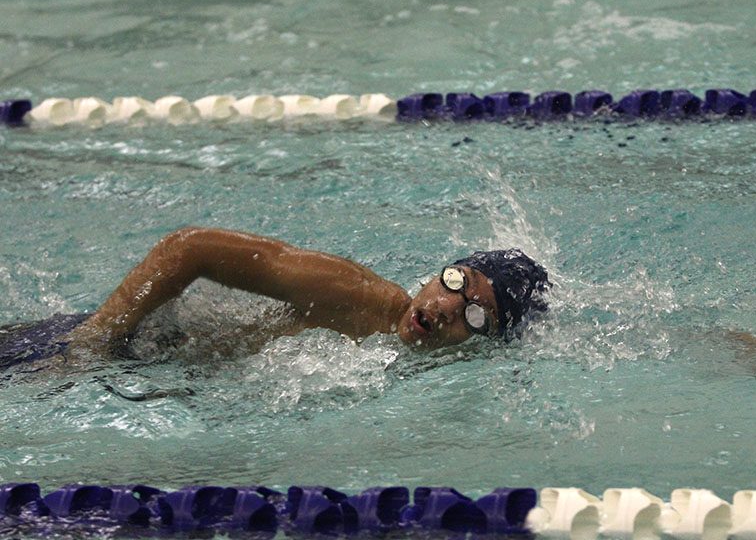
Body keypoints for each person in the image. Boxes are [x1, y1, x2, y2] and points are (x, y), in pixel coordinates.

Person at [0, 227, 552, 371]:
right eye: (456, 283)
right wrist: (98, 338)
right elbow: (188, 249)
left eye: (476, 315)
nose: (447, 307)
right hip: (107, 347)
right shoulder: (358, 297)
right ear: (439, 272)